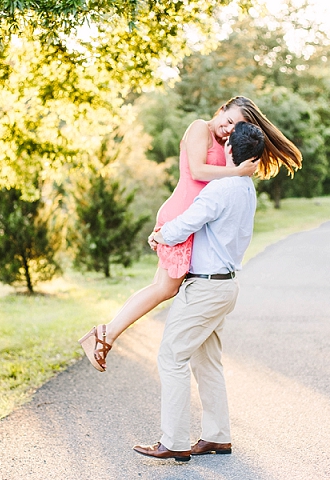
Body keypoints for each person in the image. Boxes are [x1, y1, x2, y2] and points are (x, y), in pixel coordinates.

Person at [78, 97, 302, 372]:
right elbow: (197, 171)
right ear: (221, 109)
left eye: (235, 128)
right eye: (228, 120)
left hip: (194, 221)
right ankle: (105, 335)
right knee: (166, 287)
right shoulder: (200, 128)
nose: (227, 129)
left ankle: (105, 334)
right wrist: (235, 171)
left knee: (166, 286)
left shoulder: (226, 145)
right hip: (181, 218)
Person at [132, 120, 265, 461]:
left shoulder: (221, 188)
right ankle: (217, 436)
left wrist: (160, 233)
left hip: (205, 288)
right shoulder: (247, 189)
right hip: (226, 286)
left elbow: (187, 223)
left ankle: (173, 442)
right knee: (207, 362)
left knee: (171, 357)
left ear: (230, 150)